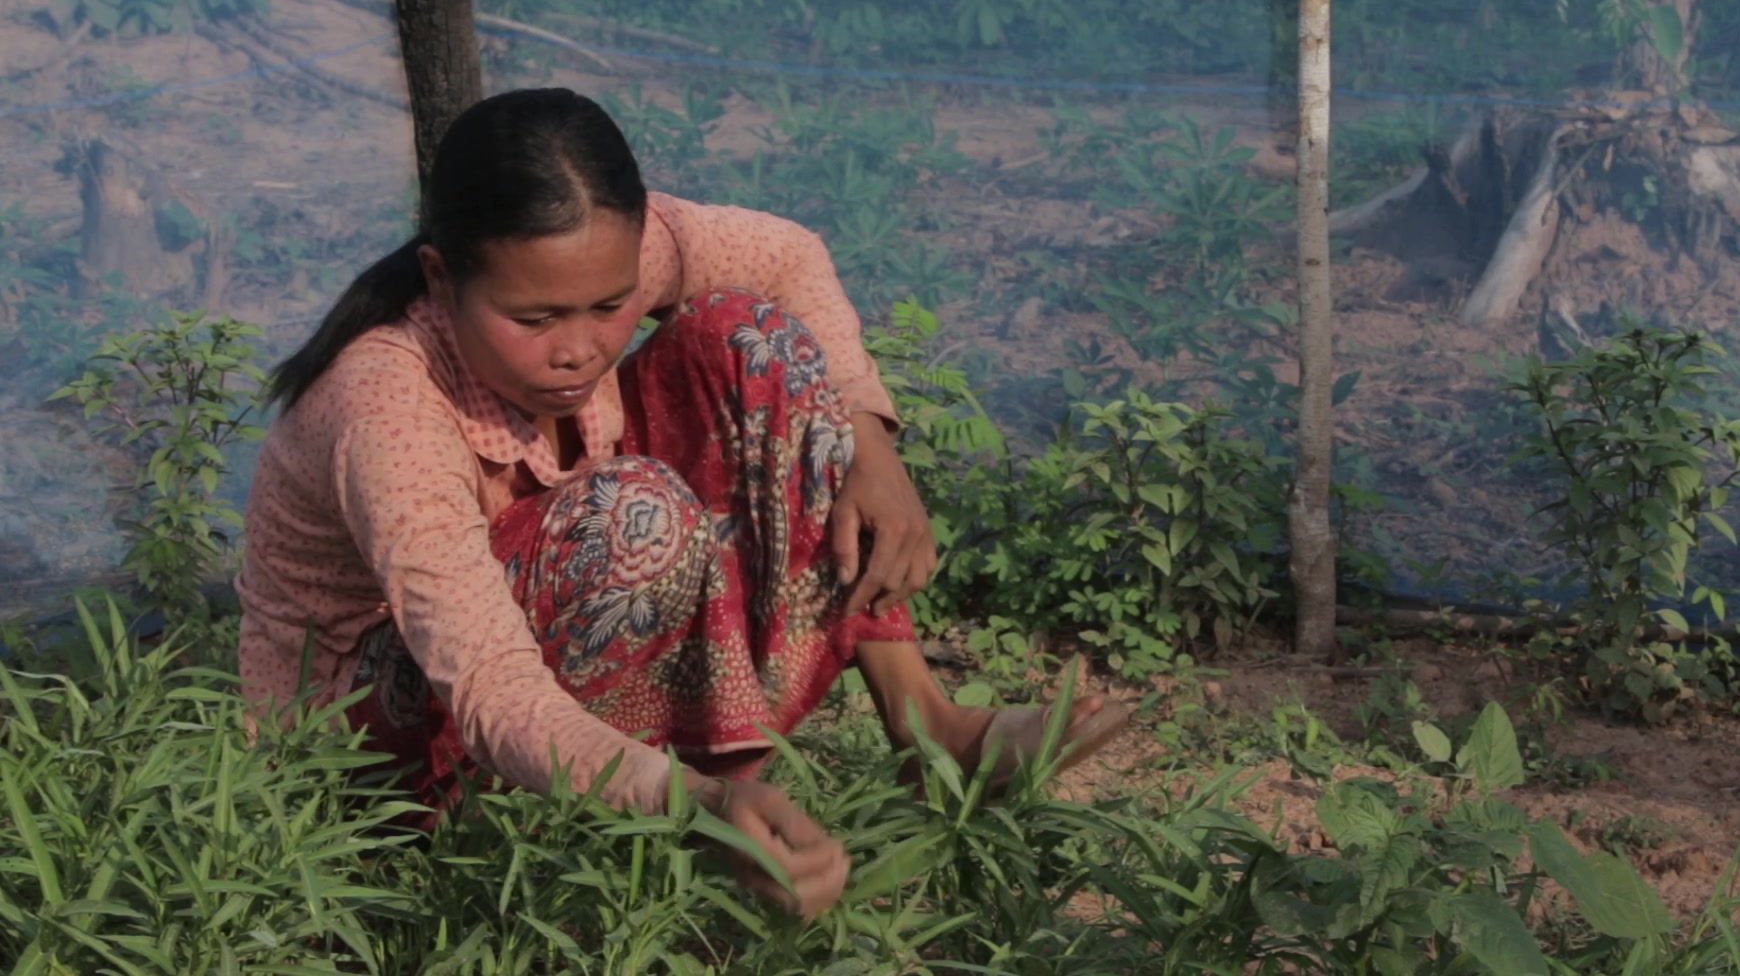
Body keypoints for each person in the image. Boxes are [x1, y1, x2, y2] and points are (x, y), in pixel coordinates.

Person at [236, 87, 1130, 919]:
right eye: (536, 320)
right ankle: (706, 810)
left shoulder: (605, 256)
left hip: (539, 655)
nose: (580, 350)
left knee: (751, 341)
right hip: (382, 758)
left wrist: (868, 437)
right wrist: (690, 802)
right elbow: (491, 685)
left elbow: (790, 256)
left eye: (611, 305)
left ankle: (924, 724)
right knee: (637, 514)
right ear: (439, 277)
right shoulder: (386, 405)